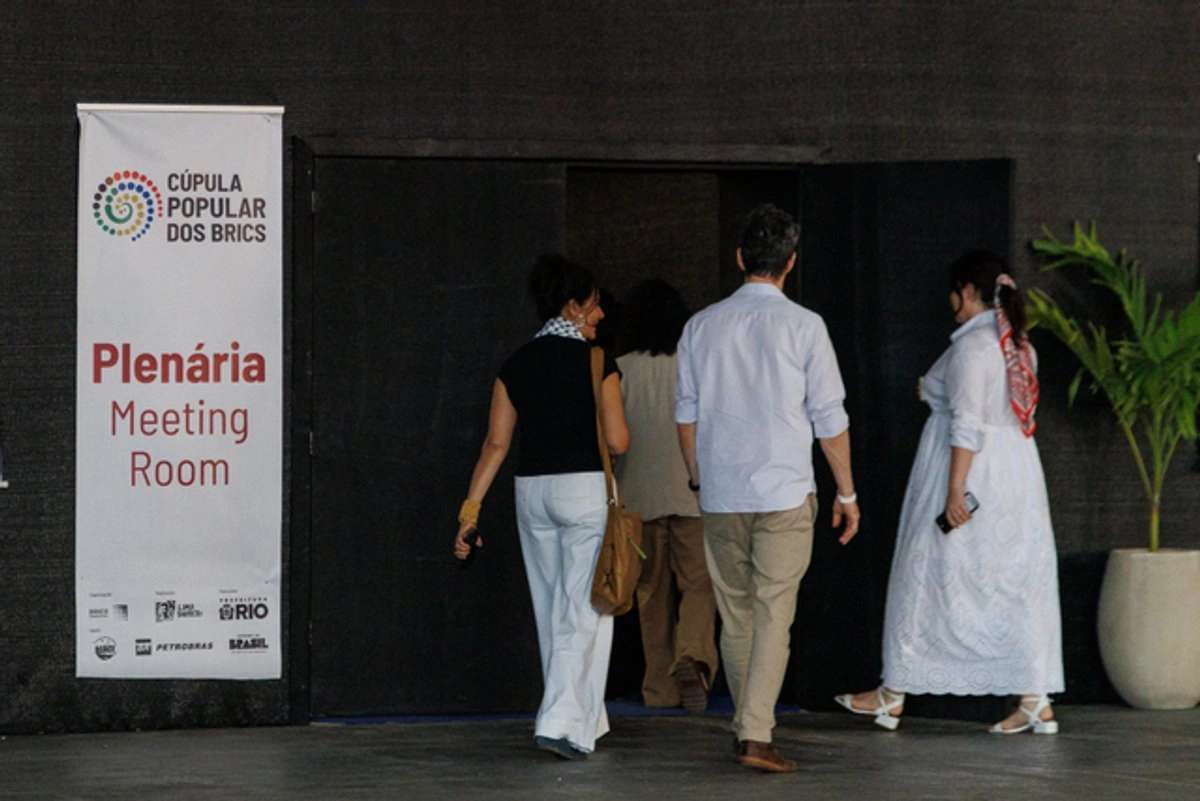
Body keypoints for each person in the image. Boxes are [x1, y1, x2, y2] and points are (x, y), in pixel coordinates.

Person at [834, 250, 1064, 734]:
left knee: (924, 571)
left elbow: (966, 424)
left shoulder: (973, 349)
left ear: (967, 291)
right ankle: (1034, 697)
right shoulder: (1018, 346)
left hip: (969, 468)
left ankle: (892, 693)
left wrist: (956, 489)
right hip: (1017, 473)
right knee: (1013, 578)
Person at [675, 204, 861, 773]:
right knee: (773, 613)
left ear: (739, 258)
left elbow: (686, 416)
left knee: (737, 617)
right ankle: (756, 734)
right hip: (784, 491)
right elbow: (830, 419)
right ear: (791, 262)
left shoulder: (701, 326)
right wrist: (847, 493)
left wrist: (699, 477)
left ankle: (746, 726)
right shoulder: (806, 326)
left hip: (722, 493)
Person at [453, 254, 630, 760]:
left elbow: (495, 445)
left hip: (531, 494)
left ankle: (585, 717)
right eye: (594, 304)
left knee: (552, 608)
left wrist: (469, 513)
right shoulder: (598, 362)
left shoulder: (516, 364)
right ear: (572, 306)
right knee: (583, 609)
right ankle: (558, 723)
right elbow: (618, 441)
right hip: (583, 491)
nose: (600, 314)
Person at [615, 279, 718, 714]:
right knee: (699, 585)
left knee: (650, 594)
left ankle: (658, 688)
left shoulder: (619, 369)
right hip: (693, 493)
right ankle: (692, 657)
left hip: (637, 499)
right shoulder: (695, 365)